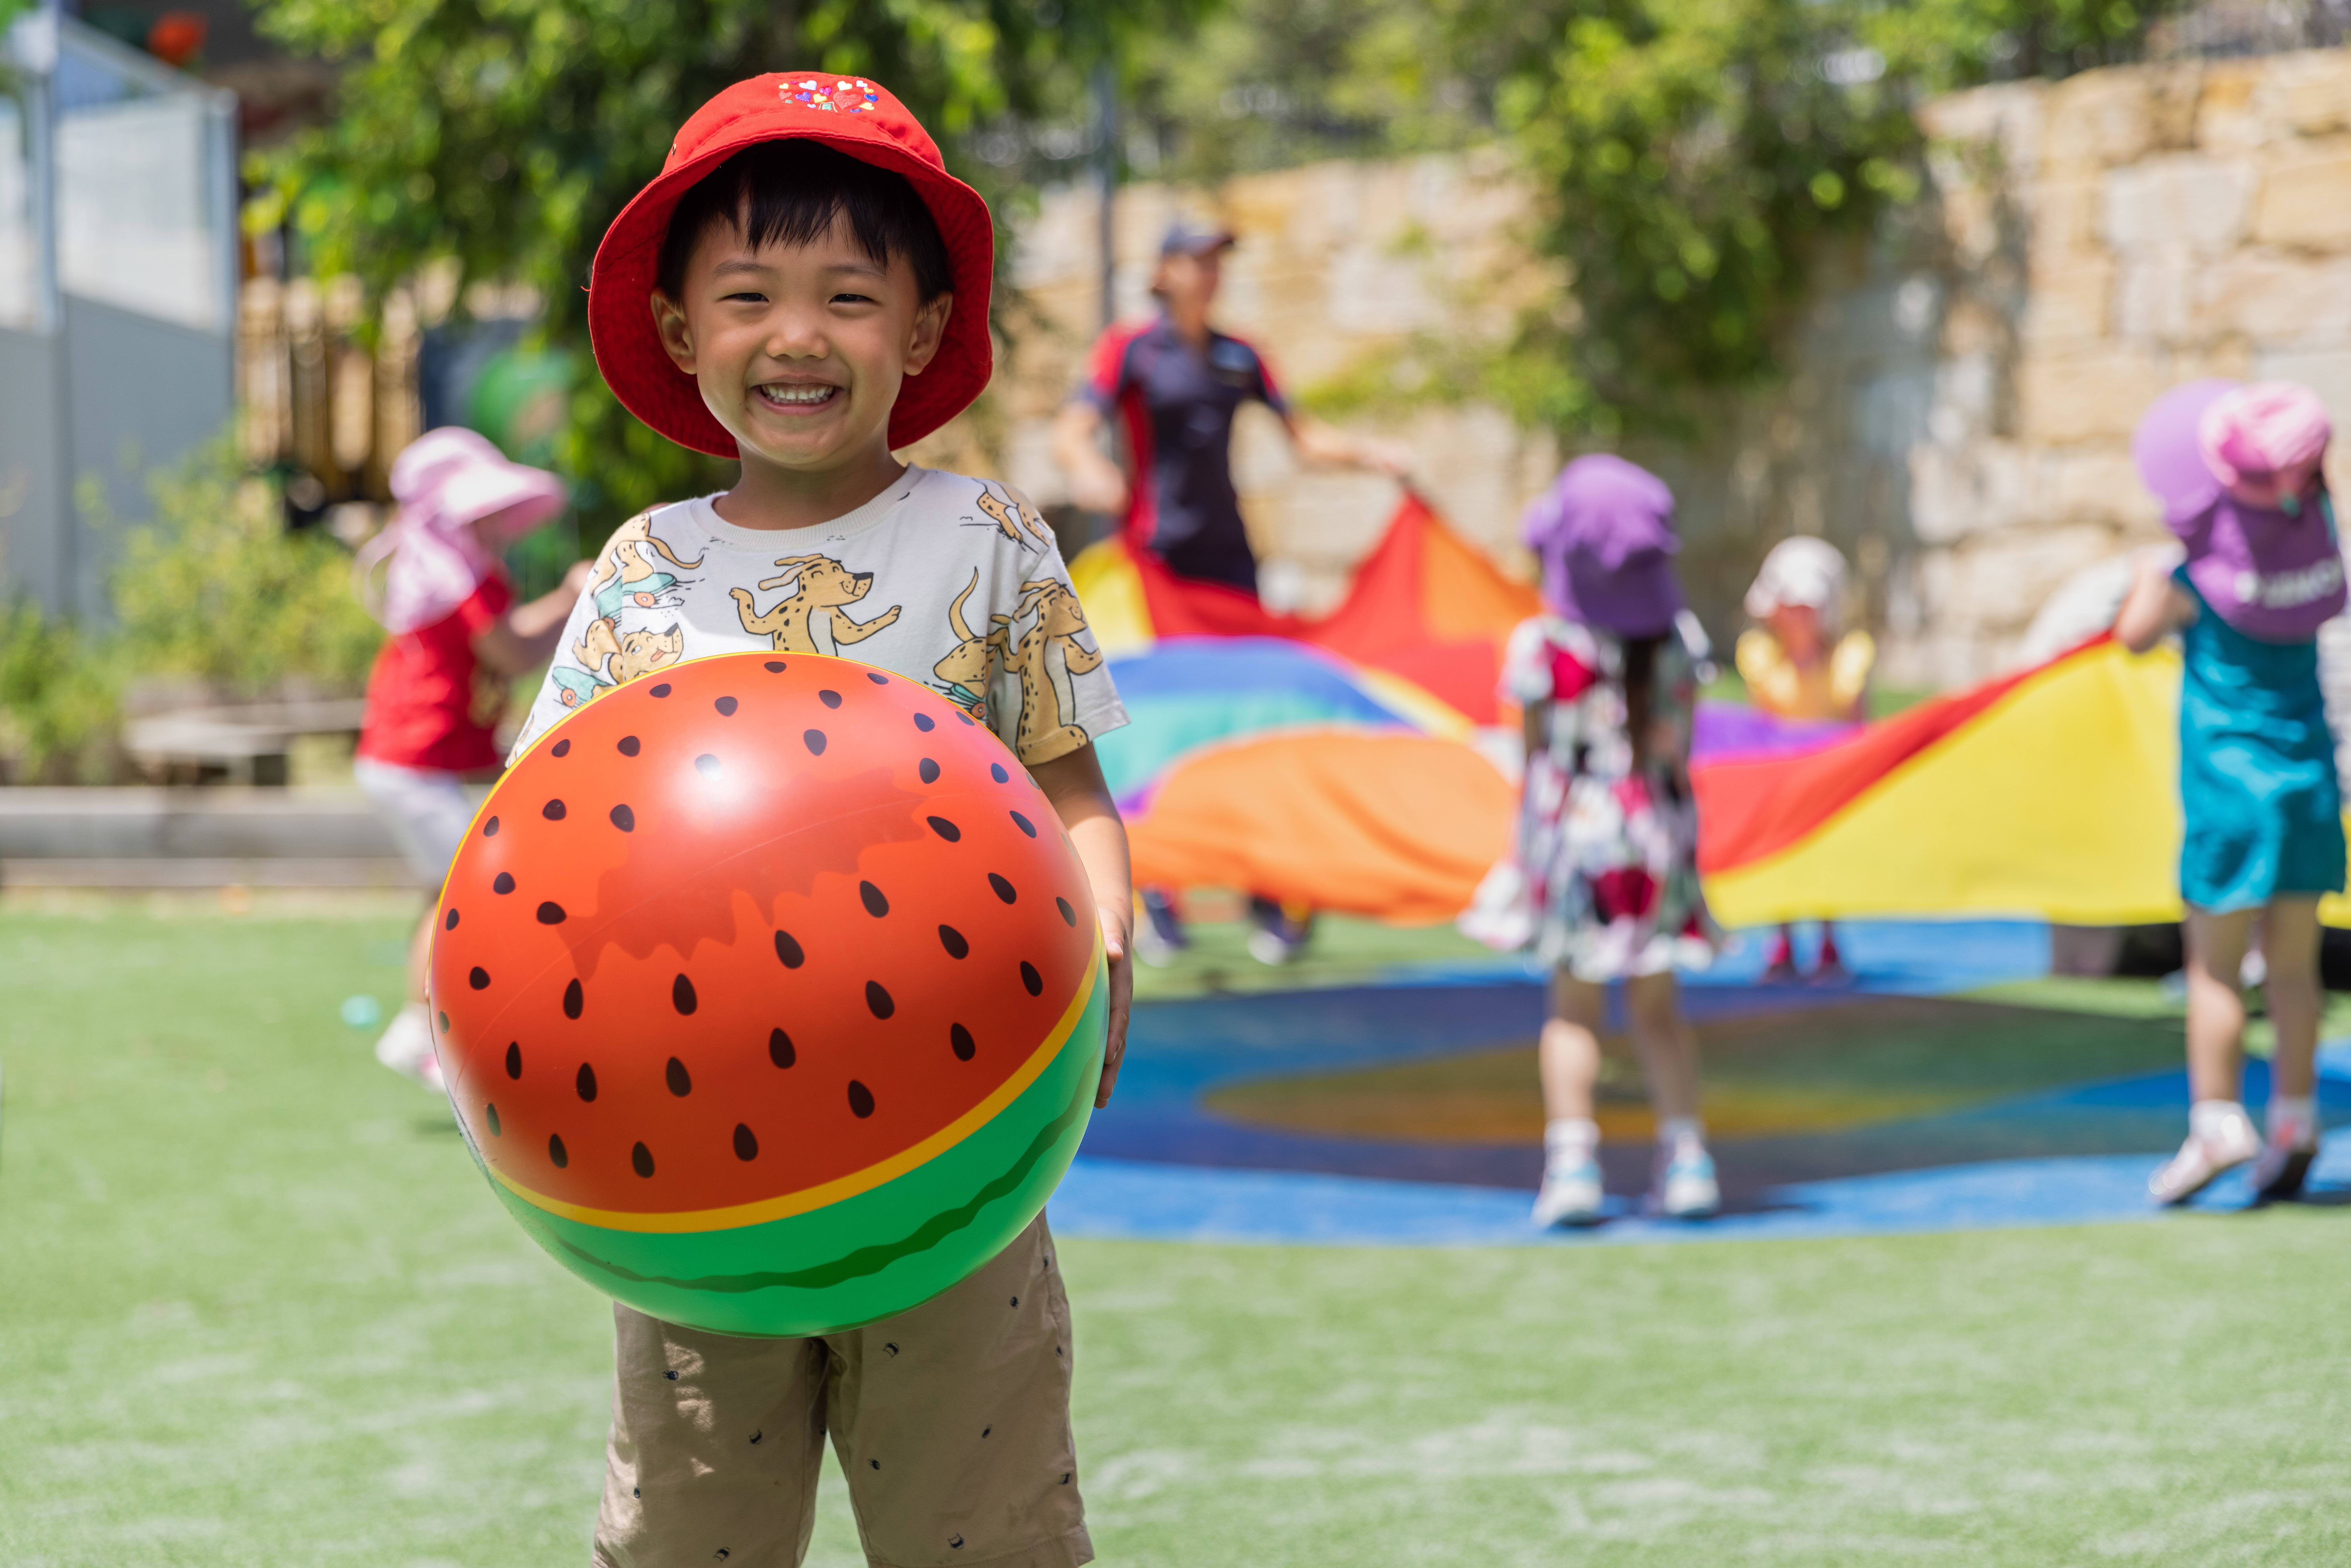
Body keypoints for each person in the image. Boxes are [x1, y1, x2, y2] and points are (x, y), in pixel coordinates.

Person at [510, 74, 1134, 1567]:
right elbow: (545, 832)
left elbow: (1065, 780)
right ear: (681, 332)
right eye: (748, 293)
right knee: (691, 1519)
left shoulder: (984, 538)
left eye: (850, 295)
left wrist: (1110, 946)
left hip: (961, 1145)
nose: (797, 333)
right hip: (683, 1168)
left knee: (982, 1522)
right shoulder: (642, 569)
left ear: (920, 334)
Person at [1051, 218, 1407, 964]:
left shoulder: (1240, 356)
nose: (1213, 273)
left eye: (1220, 262)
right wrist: (1088, 469)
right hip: (1159, 569)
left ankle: (1267, 888)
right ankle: (1158, 886)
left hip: (1232, 568)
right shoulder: (1132, 351)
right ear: (1167, 270)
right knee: (1166, 726)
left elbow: (1304, 437)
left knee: (1250, 725)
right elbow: (1074, 429)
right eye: (1200, 260)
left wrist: (1374, 454)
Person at [2117, 380, 2344, 1207]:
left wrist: (2152, 567)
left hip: (2227, 799)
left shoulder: (2190, 575)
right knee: (2293, 968)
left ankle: (2217, 1121)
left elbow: (2132, 636)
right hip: (2310, 789)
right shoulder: (2316, 540)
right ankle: (2295, 1119)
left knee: (2215, 969)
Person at [1505, 455, 1722, 1227]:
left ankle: (1574, 1164)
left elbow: (1536, 753)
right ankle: (1688, 1156)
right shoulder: (1681, 640)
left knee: (1572, 1011)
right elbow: (1680, 747)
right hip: (1657, 836)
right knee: (1660, 1009)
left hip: (1576, 842)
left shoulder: (1541, 645)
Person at [353, 427, 589, 1089]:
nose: (494, 525)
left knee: (446, 888)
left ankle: (415, 1028)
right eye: (479, 514)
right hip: (408, 766)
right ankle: (423, 1028)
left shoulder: (462, 579)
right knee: (465, 891)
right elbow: (511, 652)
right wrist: (575, 600)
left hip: (408, 765)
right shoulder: (462, 585)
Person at [1736, 535, 1875, 981]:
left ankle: (1829, 940)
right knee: (1781, 856)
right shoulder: (1760, 660)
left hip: (1828, 780)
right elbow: (1760, 726)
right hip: (1781, 781)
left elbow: (1859, 726)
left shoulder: (1848, 661)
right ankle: (1783, 939)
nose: (1797, 617)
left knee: (1827, 859)